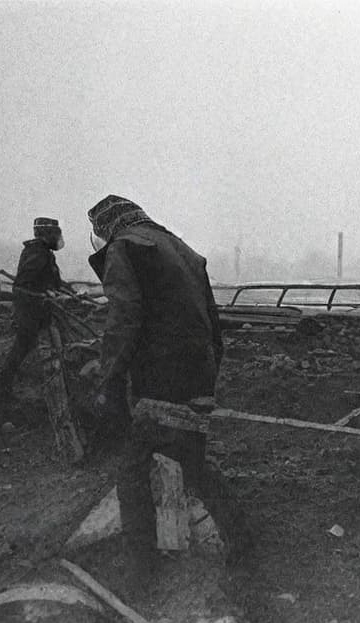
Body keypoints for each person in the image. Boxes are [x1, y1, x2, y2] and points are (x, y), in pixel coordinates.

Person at [86, 195, 247, 585]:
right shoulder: (183, 250)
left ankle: (141, 571)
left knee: (132, 469)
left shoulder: (124, 246)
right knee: (192, 462)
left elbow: (123, 318)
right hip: (195, 374)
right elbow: (214, 325)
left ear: (106, 227)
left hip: (160, 377)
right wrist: (206, 379)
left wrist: (109, 381)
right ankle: (244, 545)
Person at [0, 217, 66, 399]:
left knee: (44, 344)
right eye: (56, 234)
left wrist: (62, 290)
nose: (58, 238)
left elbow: (50, 279)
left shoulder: (40, 252)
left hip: (38, 311)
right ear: (47, 235)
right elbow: (23, 285)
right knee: (23, 346)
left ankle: (55, 384)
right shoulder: (38, 253)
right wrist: (43, 295)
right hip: (31, 312)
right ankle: (3, 389)